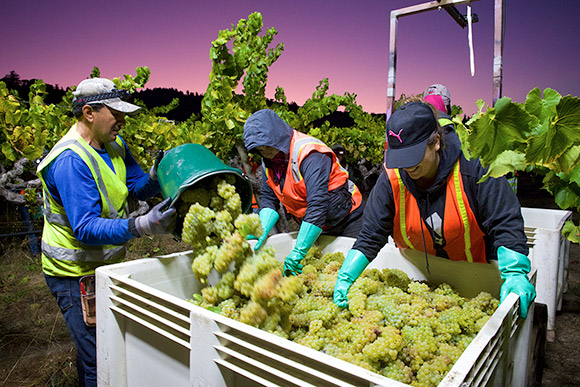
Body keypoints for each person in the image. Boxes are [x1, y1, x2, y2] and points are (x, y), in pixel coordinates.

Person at [333, 101, 535, 319]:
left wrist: (514, 272)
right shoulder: (392, 178)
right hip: (418, 278)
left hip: (474, 279)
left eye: (414, 156)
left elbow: (504, 222)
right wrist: (346, 275)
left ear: (436, 142)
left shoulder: (474, 169)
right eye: (400, 158)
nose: (408, 167)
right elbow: (371, 234)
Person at [36, 78, 177, 387]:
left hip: (103, 266)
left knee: (101, 346)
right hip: (74, 274)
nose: (123, 121)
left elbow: (134, 187)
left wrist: (154, 177)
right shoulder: (70, 160)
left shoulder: (115, 144)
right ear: (89, 113)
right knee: (100, 358)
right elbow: (85, 228)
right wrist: (140, 225)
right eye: (116, 114)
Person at [243, 109, 365, 276]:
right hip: (315, 226)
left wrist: (298, 252)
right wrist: (262, 228)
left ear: (278, 137)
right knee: (320, 273)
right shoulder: (269, 163)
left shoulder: (310, 154)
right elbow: (268, 197)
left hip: (348, 220)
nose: (266, 153)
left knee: (352, 272)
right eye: (261, 150)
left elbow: (317, 205)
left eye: (267, 146)